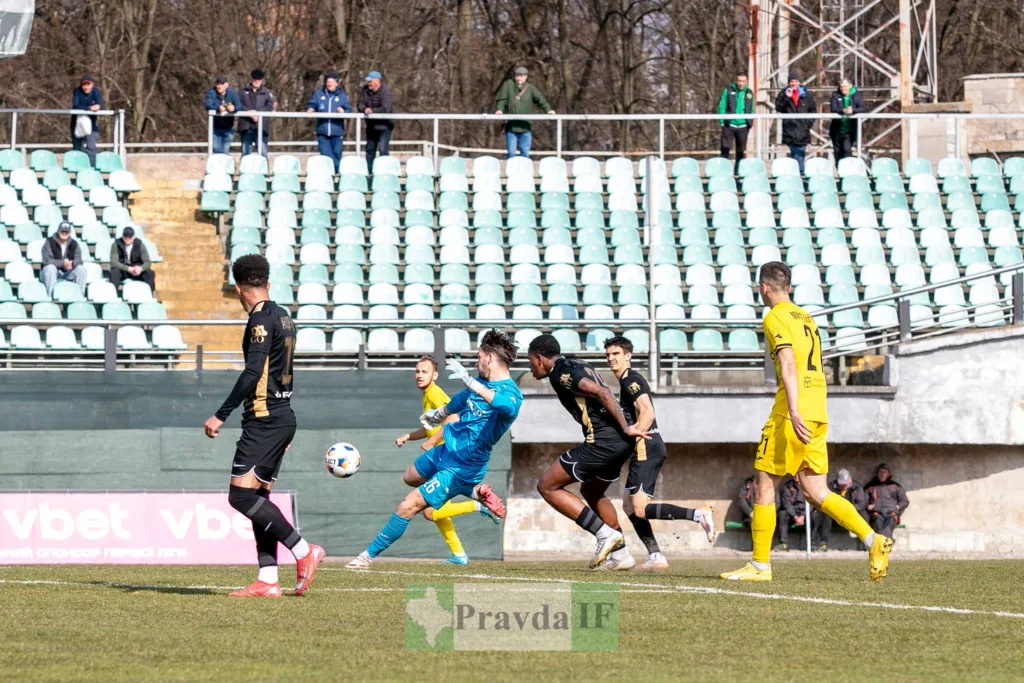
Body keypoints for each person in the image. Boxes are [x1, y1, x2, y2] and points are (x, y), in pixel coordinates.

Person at [720, 262, 892, 582]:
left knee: (764, 484)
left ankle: (759, 565)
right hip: (818, 410)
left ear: (763, 288)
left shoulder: (775, 316)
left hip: (792, 412)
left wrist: (793, 409)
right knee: (816, 491)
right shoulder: (807, 318)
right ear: (789, 287)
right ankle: (873, 540)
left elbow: (788, 363)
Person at [346, 331, 520, 570]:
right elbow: (460, 400)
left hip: (463, 467)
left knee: (408, 506)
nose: (476, 363)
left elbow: (507, 408)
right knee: (410, 476)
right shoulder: (480, 386)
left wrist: (472, 383)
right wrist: (439, 414)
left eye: (479, 357)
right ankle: (473, 491)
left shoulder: (510, 393)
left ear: (489, 358)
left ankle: (366, 557)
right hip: (447, 450)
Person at [203, 255, 324, 597]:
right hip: (281, 416)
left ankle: (303, 550)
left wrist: (221, 414)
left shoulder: (259, 318)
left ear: (238, 289)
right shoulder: (284, 316)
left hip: (264, 419)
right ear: (267, 284)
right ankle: (268, 579)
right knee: (258, 498)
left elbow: (253, 371)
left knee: (241, 496)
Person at [526, 334, 649, 570]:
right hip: (620, 443)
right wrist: (625, 430)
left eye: (531, 362)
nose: (531, 369)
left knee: (547, 486)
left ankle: (605, 534)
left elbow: (603, 393)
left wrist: (626, 426)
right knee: (592, 491)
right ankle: (621, 555)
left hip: (603, 441)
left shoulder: (561, 372)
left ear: (540, 358)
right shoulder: (577, 363)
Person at [604, 335, 714, 571]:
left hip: (647, 448)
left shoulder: (630, 379)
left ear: (628, 356)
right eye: (608, 354)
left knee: (640, 509)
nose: (611, 358)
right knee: (628, 506)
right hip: (643, 449)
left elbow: (648, 411)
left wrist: (635, 433)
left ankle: (698, 515)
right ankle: (655, 555)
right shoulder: (625, 380)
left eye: (616, 354)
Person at [393, 356, 502, 565]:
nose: (419, 375)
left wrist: (432, 441)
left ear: (435, 375)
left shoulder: (435, 393)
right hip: (442, 458)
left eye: (424, 372)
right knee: (435, 512)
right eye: (417, 371)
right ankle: (459, 554)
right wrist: (409, 436)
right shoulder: (427, 395)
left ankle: (478, 505)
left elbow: (452, 418)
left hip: (444, 458)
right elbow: (431, 425)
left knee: (430, 512)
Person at [494, 66, 555, 160]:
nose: (519, 78)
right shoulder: (508, 85)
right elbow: (502, 99)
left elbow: (540, 100)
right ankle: (511, 168)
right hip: (511, 126)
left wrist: (548, 110)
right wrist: (500, 109)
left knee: (525, 153)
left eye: (521, 76)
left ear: (526, 77)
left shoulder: (530, 88)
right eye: (517, 76)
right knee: (511, 153)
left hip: (525, 126)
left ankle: (524, 169)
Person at [811, 468, 867, 551]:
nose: (843, 486)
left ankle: (866, 543)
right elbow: (826, 501)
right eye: (841, 484)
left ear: (850, 479)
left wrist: (847, 508)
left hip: (851, 513)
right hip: (835, 515)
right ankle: (823, 543)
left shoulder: (857, 487)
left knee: (864, 515)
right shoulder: (831, 486)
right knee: (824, 515)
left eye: (845, 483)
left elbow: (861, 504)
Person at [306, 73, 351, 173]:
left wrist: (343, 111)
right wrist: (311, 108)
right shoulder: (319, 94)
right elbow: (312, 104)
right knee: (326, 155)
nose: (329, 84)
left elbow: (349, 111)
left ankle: (337, 175)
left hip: (337, 131)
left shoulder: (342, 96)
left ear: (337, 83)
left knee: (337, 154)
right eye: (328, 82)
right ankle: (340, 171)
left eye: (332, 82)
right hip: (323, 131)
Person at [774, 73, 815, 174]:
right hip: (790, 130)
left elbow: (813, 111)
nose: (793, 84)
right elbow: (779, 108)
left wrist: (807, 124)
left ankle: (799, 174)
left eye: (795, 81)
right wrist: (787, 98)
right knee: (796, 155)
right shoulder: (783, 94)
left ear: (799, 82)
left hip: (803, 131)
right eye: (791, 81)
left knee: (799, 155)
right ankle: (799, 175)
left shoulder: (807, 95)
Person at [357, 71, 393, 175]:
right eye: (368, 81)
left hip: (384, 126)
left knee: (383, 150)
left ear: (377, 81)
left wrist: (372, 110)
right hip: (371, 126)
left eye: (370, 81)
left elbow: (386, 109)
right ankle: (369, 173)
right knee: (370, 150)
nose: (368, 83)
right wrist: (364, 109)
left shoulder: (386, 91)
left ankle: (384, 173)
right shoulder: (365, 90)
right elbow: (359, 104)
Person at [718, 73, 755, 175]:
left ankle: (738, 174)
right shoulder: (728, 91)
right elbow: (722, 107)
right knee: (725, 150)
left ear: (746, 82)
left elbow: (751, 109)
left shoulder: (749, 92)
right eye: (739, 81)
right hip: (729, 125)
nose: (741, 83)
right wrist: (722, 122)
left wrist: (749, 122)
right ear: (736, 81)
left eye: (743, 81)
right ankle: (723, 174)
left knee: (741, 152)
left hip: (743, 126)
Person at [40, 221, 86, 297]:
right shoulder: (49, 242)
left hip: (68, 272)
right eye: (62, 231)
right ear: (58, 231)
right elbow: (46, 260)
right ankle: (50, 296)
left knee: (81, 269)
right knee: (50, 268)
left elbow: (79, 260)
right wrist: (63, 263)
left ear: (70, 233)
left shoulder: (74, 243)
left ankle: (80, 296)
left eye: (66, 232)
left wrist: (72, 263)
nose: (64, 233)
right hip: (52, 272)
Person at [865, 463, 910, 540]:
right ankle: (885, 542)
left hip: (891, 513)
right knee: (877, 524)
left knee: (889, 523)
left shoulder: (896, 486)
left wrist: (897, 506)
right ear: (877, 473)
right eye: (880, 472)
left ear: (888, 474)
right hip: (876, 513)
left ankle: (882, 542)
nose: (882, 474)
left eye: (885, 472)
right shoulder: (870, 487)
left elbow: (905, 501)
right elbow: (862, 500)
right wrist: (868, 506)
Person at [238, 69, 275, 156]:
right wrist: (248, 112)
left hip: (261, 128)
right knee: (245, 155)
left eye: (259, 79)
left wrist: (257, 112)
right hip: (246, 128)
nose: (257, 81)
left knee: (263, 154)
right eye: (255, 79)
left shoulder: (266, 93)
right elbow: (238, 105)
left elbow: (270, 106)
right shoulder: (242, 91)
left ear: (261, 80)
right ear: (251, 79)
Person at [829, 78, 866, 162]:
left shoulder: (857, 95)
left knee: (847, 151)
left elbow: (862, 108)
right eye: (841, 87)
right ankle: (839, 169)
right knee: (837, 153)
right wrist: (843, 110)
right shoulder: (836, 95)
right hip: (836, 129)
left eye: (845, 86)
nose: (843, 89)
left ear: (850, 86)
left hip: (850, 130)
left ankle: (848, 168)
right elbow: (833, 108)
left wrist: (853, 111)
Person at [71, 75, 103, 167]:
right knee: (77, 148)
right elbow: (75, 106)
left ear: (92, 84)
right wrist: (89, 108)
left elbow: (100, 105)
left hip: (92, 123)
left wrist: (98, 106)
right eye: (83, 85)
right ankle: (78, 169)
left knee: (91, 147)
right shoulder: (77, 91)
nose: (86, 87)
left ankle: (92, 169)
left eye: (88, 84)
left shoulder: (96, 92)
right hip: (77, 123)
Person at [204, 76, 241, 155]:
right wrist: (218, 108)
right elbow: (208, 105)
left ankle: (224, 161)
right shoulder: (211, 92)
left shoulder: (232, 93)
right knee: (216, 148)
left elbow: (239, 106)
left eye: (222, 84)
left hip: (228, 128)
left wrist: (234, 108)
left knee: (225, 151)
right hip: (215, 128)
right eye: (218, 84)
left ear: (226, 85)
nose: (219, 86)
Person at [774, 476, 806, 551]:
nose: (796, 476)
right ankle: (783, 543)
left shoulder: (808, 485)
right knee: (782, 514)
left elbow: (812, 503)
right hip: (792, 512)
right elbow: (786, 503)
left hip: (804, 512)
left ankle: (814, 544)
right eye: (795, 474)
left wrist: (803, 516)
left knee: (816, 515)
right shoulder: (787, 486)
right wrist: (795, 517)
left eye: (798, 474)